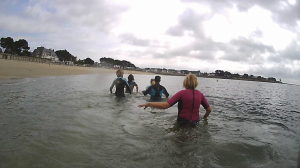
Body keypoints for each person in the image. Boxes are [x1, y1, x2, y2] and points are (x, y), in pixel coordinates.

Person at [139, 74, 212, 126]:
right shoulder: (200, 94)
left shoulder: (181, 93)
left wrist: (149, 104)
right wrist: (204, 118)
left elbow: (165, 105)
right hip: (196, 123)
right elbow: (209, 110)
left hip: (182, 123)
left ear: (185, 82)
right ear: (196, 83)